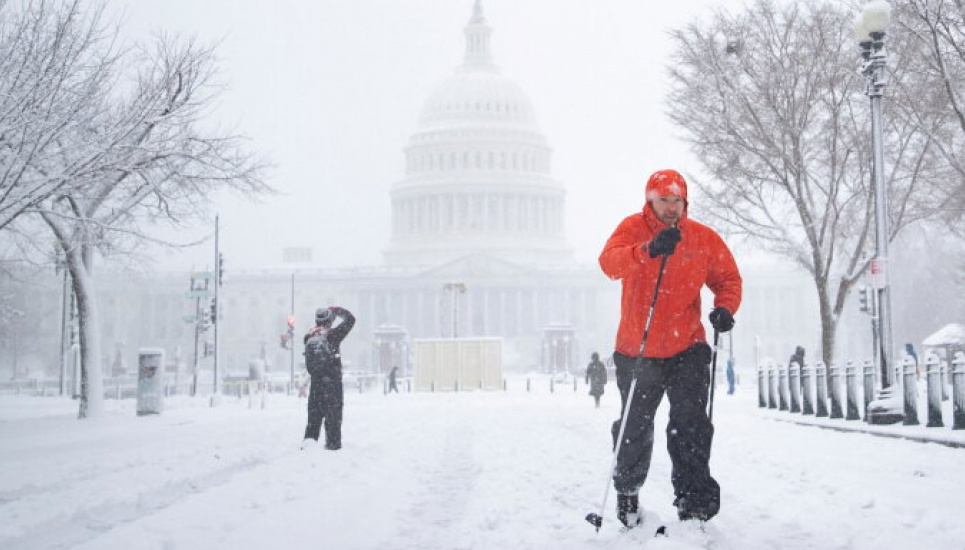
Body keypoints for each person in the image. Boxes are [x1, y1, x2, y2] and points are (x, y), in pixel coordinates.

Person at [598, 169, 742, 528]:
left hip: (687, 346)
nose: (672, 207)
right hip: (639, 348)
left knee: (690, 426)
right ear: (650, 201)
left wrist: (725, 307)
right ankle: (628, 494)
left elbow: (727, 278)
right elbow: (609, 264)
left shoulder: (702, 238)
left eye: (678, 200)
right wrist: (646, 250)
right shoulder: (632, 229)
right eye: (664, 200)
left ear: (685, 202)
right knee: (635, 427)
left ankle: (694, 507)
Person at [302, 306, 356, 451]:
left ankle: (307, 449)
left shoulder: (309, 337)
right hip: (332, 386)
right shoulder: (333, 335)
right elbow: (351, 320)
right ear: (329, 321)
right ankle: (332, 451)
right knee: (333, 421)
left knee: (313, 422)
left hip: (316, 387)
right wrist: (337, 311)